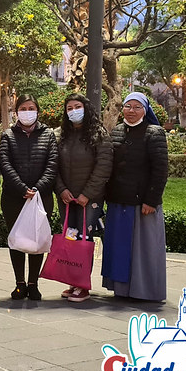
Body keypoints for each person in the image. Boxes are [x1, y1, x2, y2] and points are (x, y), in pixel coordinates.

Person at [102, 92, 169, 302]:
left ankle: (145, 290)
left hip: (142, 204)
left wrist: (151, 200)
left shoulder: (154, 133)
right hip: (118, 201)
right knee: (119, 247)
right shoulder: (117, 131)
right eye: (128, 106)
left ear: (145, 110)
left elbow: (160, 170)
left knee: (144, 249)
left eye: (137, 107)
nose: (131, 111)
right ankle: (121, 289)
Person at [0, 94, 58, 301]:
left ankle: (33, 284)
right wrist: (23, 189)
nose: (27, 112)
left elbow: (52, 165)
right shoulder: (8, 135)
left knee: (37, 240)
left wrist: (37, 189)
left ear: (37, 111)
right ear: (16, 112)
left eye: (30, 108)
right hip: (14, 197)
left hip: (41, 198)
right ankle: (19, 284)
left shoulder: (48, 134)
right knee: (17, 240)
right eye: (22, 109)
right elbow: (4, 164)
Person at [54, 93, 112, 303]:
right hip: (67, 199)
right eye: (69, 108)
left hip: (90, 198)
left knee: (84, 240)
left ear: (86, 108)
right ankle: (73, 282)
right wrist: (61, 190)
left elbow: (103, 166)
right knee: (70, 238)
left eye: (77, 106)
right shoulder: (60, 135)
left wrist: (87, 193)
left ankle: (83, 285)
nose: (73, 111)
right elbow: (54, 167)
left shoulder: (98, 134)